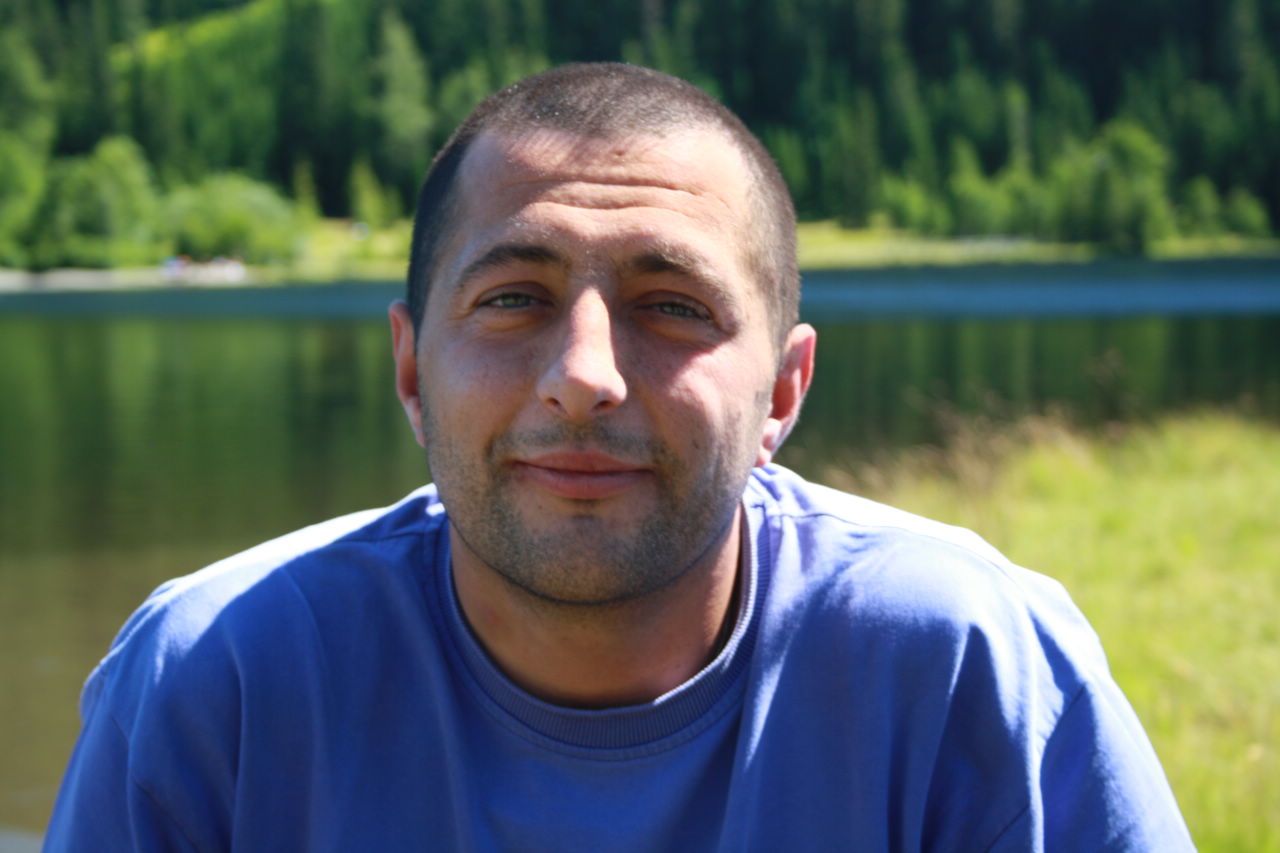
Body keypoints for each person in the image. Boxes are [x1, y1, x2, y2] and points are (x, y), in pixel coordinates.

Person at [44, 63, 1193, 851]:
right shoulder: (216, 682)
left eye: (672, 305)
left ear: (783, 389)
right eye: (511, 297)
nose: (585, 374)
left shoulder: (968, 664)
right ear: (410, 372)